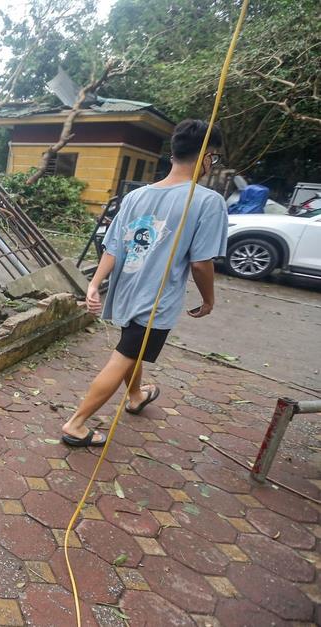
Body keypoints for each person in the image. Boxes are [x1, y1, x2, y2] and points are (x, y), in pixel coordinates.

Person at [61, 119, 229, 447]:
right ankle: (76, 424)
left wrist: (94, 284)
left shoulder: (136, 196)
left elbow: (113, 247)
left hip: (126, 291)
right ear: (206, 156)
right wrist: (209, 300)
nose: (213, 164)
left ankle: (136, 395)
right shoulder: (208, 202)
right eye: (215, 158)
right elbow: (200, 263)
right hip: (156, 298)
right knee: (125, 354)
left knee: (131, 346)